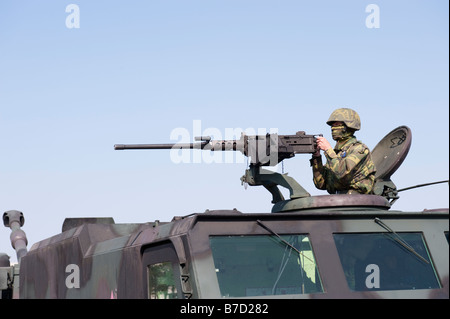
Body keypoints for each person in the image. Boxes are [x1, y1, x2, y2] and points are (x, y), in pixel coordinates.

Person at [310, 108, 376, 194]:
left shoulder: (360, 149)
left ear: (348, 126)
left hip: (357, 200)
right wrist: (317, 157)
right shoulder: (337, 154)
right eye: (332, 126)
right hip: (339, 200)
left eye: (337, 124)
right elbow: (321, 183)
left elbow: (341, 173)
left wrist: (328, 150)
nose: (333, 128)